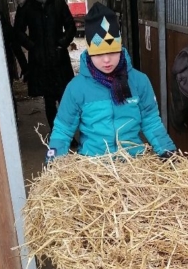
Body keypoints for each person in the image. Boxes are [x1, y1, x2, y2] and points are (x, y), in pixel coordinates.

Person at [46, 2, 176, 160]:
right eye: (99, 54)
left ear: (120, 48)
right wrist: (53, 160)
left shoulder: (139, 81)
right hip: (93, 167)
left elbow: (151, 120)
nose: (107, 60)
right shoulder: (76, 88)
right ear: (89, 53)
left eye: (113, 52)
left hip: (134, 164)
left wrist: (167, 151)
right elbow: (63, 128)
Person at [14, 0, 76, 131]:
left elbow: (71, 26)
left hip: (59, 60)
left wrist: (62, 43)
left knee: (65, 99)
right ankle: (56, 133)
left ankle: (68, 135)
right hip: (40, 62)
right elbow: (18, 31)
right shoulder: (27, 7)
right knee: (49, 100)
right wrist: (33, 47)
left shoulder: (58, 3)